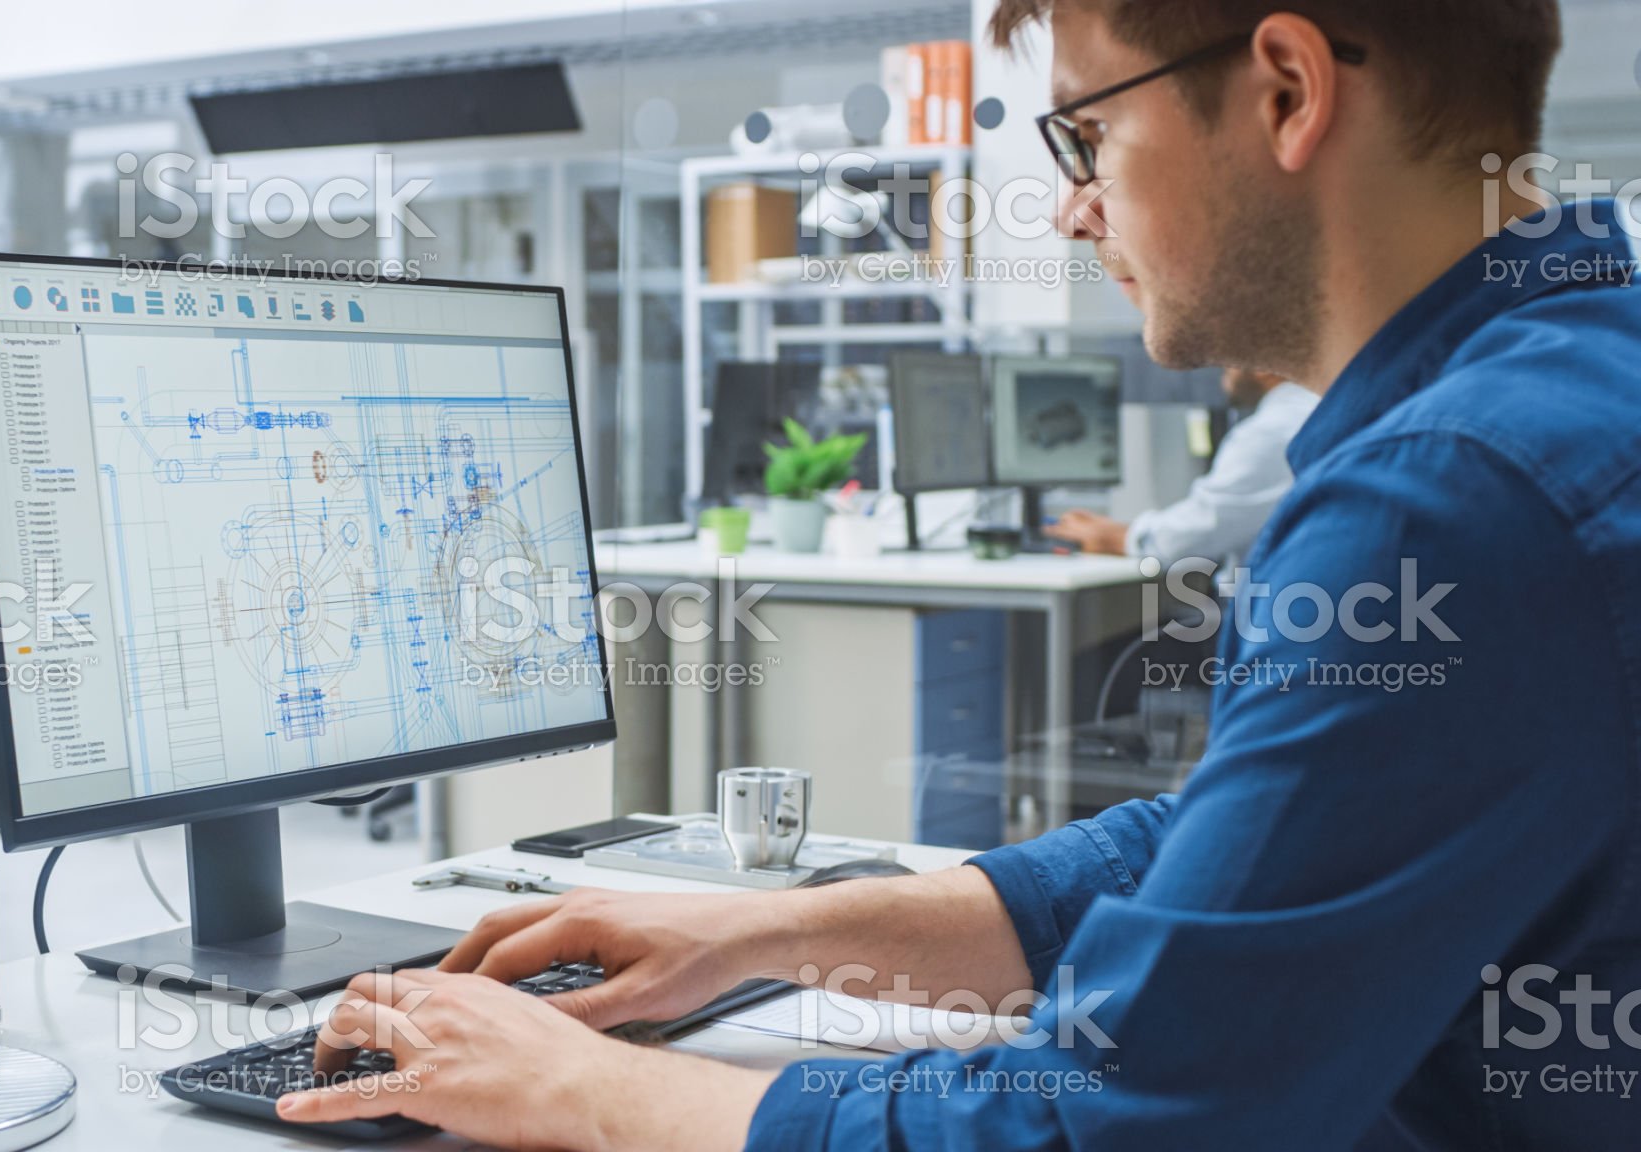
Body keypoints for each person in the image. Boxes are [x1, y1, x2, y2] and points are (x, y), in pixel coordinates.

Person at [280, 3, 1641, 1149]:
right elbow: (1234, 850)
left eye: (1091, 132)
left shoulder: (1452, 501)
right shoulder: (1573, 383)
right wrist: (760, 935)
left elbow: (1105, 1121)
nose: (1071, 204)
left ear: (1285, 89)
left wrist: (590, 1087)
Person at [1043, 367, 1317, 567]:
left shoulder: (1271, 430)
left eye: (1230, 358)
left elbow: (1200, 531)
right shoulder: (1309, 410)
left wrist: (1118, 537)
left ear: (1261, 364)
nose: (1222, 368)